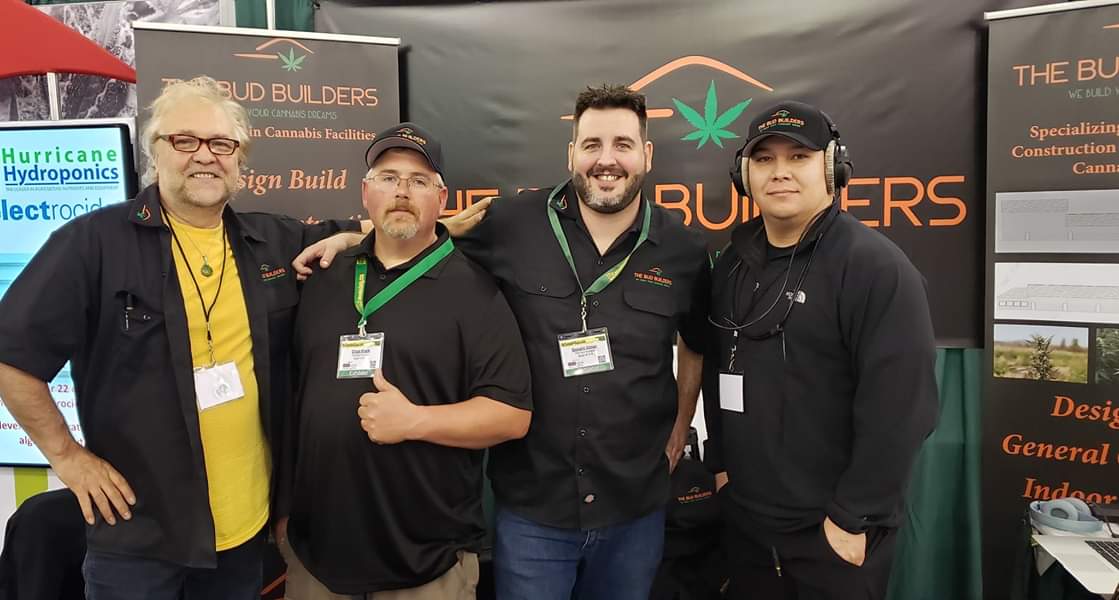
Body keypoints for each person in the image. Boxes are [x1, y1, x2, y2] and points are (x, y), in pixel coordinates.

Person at [294, 83, 710, 600]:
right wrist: (351, 237)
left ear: (646, 154)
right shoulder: (512, 223)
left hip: (635, 507)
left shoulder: (683, 249)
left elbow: (696, 342)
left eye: (622, 144)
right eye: (592, 144)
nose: (607, 160)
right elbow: (420, 229)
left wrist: (680, 426)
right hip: (535, 510)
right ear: (571, 154)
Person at [0, 76, 361, 600]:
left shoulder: (271, 241)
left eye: (222, 144)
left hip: (243, 535)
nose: (205, 156)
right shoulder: (93, 243)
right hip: (138, 537)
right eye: (185, 140)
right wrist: (68, 458)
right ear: (155, 152)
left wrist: (356, 235)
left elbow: (363, 235)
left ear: (240, 161)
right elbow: (11, 357)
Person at [274, 122, 532, 600]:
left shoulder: (476, 292)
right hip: (318, 559)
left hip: (424, 565)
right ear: (365, 192)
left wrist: (414, 421)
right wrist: (285, 506)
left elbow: (511, 415)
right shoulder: (323, 278)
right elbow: (293, 398)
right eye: (389, 177)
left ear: (441, 198)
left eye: (418, 181)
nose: (402, 192)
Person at [703, 100, 938, 599]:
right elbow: (716, 368)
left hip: (832, 535)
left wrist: (852, 519)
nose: (780, 172)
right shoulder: (731, 266)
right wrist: (721, 465)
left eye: (799, 157)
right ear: (744, 175)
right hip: (746, 525)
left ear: (833, 168)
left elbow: (903, 409)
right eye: (764, 159)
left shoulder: (876, 268)